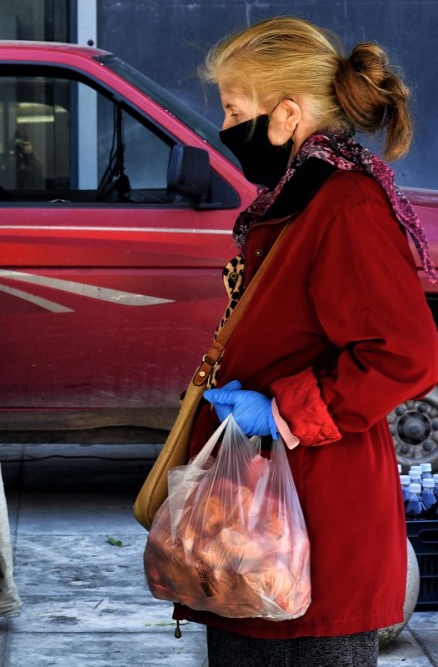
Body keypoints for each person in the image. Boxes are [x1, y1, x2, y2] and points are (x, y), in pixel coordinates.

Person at [178, 16, 438, 666]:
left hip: (312, 530)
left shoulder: (344, 206)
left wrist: (282, 410)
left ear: (286, 115)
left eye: (235, 111)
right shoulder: (297, 201)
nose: (226, 128)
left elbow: (406, 353)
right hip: (263, 520)